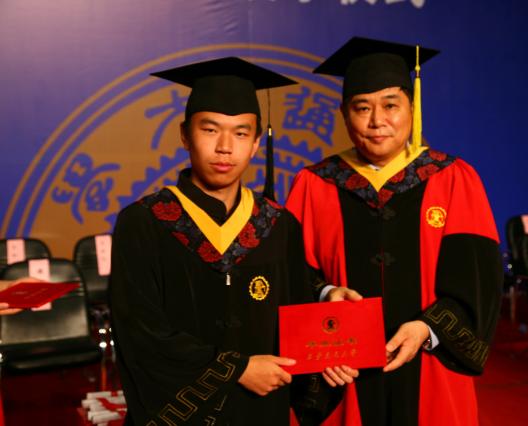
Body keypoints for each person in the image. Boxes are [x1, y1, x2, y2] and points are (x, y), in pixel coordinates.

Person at [109, 57, 354, 426]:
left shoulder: (277, 224)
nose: (225, 147)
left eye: (241, 134)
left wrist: (328, 343)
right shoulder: (145, 222)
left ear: (255, 144)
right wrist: (236, 369)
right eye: (210, 130)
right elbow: (139, 333)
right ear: (184, 134)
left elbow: (297, 307)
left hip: (262, 413)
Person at [285, 37, 504, 426]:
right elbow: (290, 276)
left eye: (390, 105)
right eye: (362, 108)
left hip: (431, 366)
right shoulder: (314, 184)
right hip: (343, 375)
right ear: (344, 115)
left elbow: (477, 282)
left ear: (412, 109)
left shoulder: (453, 179)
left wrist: (428, 329)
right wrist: (324, 302)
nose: (377, 121)